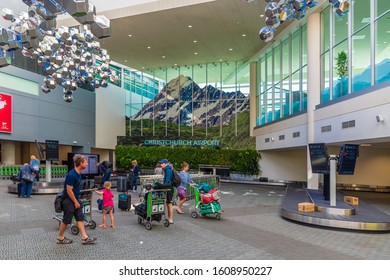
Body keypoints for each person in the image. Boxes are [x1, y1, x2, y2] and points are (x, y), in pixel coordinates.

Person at [57, 154, 96, 245]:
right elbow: (69, 190)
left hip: (75, 199)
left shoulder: (79, 173)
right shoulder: (71, 175)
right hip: (68, 200)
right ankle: (60, 238)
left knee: (80, 218)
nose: (87, 164)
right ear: (81, 163)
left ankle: (84, 238)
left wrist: (77, 201)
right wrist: (75, 202)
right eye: (85, 162)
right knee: (66, 220)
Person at [160, 158, 174, 224]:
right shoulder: (167, 169)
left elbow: (167, 181)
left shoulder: (168, 170)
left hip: (169, 189)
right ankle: (169, 218)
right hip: (168, 188)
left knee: (169, 203)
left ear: (165, 163)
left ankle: (170, 218)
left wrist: (162, 186)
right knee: (168, 203)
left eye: (162, 163)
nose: (161, 165)